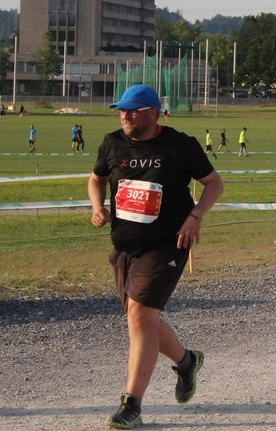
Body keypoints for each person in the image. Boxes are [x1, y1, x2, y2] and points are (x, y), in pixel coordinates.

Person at [87, 83, 224, 429]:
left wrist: (195, 218)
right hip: (124, 247)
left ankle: (131, 404)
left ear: (152, 111)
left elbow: (214, 183)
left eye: (132, 110)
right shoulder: (112, 142)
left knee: (140, 317)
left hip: (168, 243)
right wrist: (96, 206)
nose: (125, 115)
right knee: (142, 321)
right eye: (122, 110)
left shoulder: (180, 145)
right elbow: (95, 178)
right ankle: (187, 361)